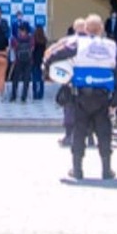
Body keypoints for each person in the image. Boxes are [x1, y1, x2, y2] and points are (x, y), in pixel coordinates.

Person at [42, 14, 117, 180]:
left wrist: (47, 71)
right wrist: (116, 97)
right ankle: (106, 170)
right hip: (103, 97)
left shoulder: (77, 43)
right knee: (104, 132)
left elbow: (53, 55)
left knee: (79, 131)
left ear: (85, 29)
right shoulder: (111, 45)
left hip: (81, 96)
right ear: (101, 29)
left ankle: (77, 170)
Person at [50, 17, 86, 146]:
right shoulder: (94, 42)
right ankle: (91, 138)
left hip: (71, 79)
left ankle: (69, 135)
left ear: (75, 28)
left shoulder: (69, 41)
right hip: (90, 80)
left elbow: (54, 53)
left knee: (69, 107)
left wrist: (47, 66)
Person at [9, 22, 34, 103]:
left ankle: (13, 96)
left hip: (18, 61)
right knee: (26, 80)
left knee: (15, 79)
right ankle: (24, 97)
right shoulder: (31, 38)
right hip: (28, 61)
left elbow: (14, 48)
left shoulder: (15, 39)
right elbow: (32, 48)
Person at [31, 25, 47, 100]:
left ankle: (35, 93)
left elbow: (32, 50)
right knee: (41, 78)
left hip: (34, 60)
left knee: (34, 78)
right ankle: (41, 93)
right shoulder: (44, 39)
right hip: (42, 60)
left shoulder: (34, 39)